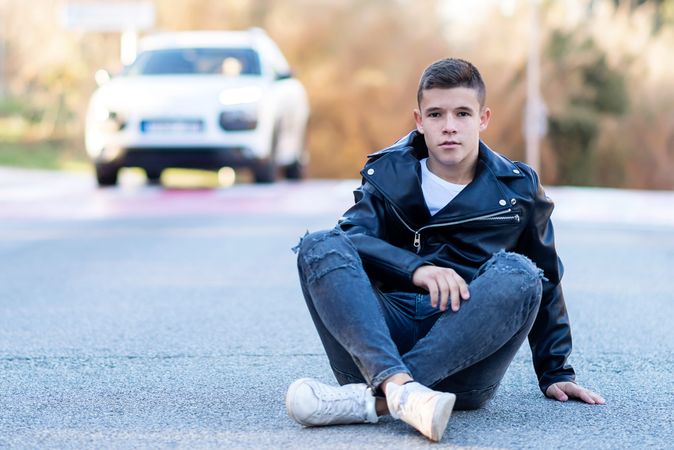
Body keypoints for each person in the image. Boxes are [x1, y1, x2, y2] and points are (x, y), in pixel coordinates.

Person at [286, 58, 604, 442]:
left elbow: (547, 279)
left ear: (483, 118)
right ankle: (398, 388)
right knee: (321, 243)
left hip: (463, 363)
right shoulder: (388, 171)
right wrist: (415, 269)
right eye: (436, 114)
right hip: (376, 346)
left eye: (462, 113)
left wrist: (556, 372)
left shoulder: (518, 189)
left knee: (521, 273)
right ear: (419, 120)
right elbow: (353, 236)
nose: (449, 125)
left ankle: (374, 400)